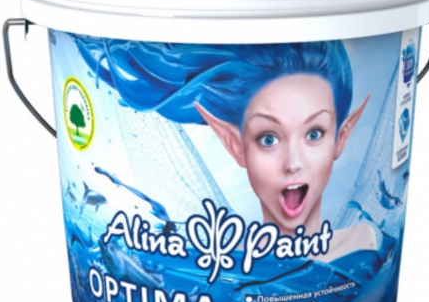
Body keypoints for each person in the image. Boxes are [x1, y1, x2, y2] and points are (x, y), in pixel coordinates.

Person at [76, 36, 377, 261]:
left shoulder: (362, 242)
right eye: (269, 138)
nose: (293, 163)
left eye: (314, 134)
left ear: (341, 137)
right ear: (235, 145)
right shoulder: (216, 258)